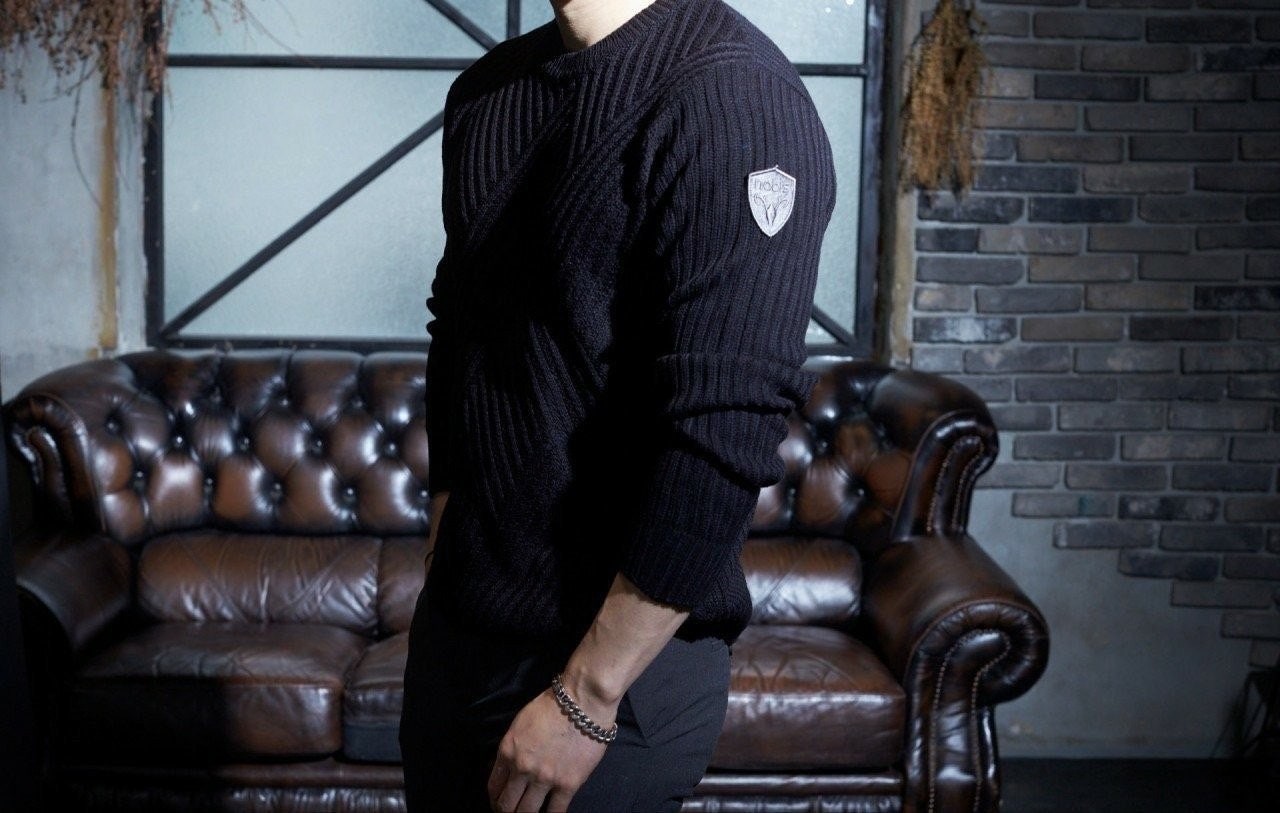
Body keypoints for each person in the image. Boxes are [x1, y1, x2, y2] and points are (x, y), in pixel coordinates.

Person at [398, 0, 836, 810]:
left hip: (615, 673)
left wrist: (588, 695)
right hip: (459, 642)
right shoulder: (487, 92)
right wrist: (443, 542)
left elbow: (724, 425)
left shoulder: (736, 96)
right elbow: (459, 334)